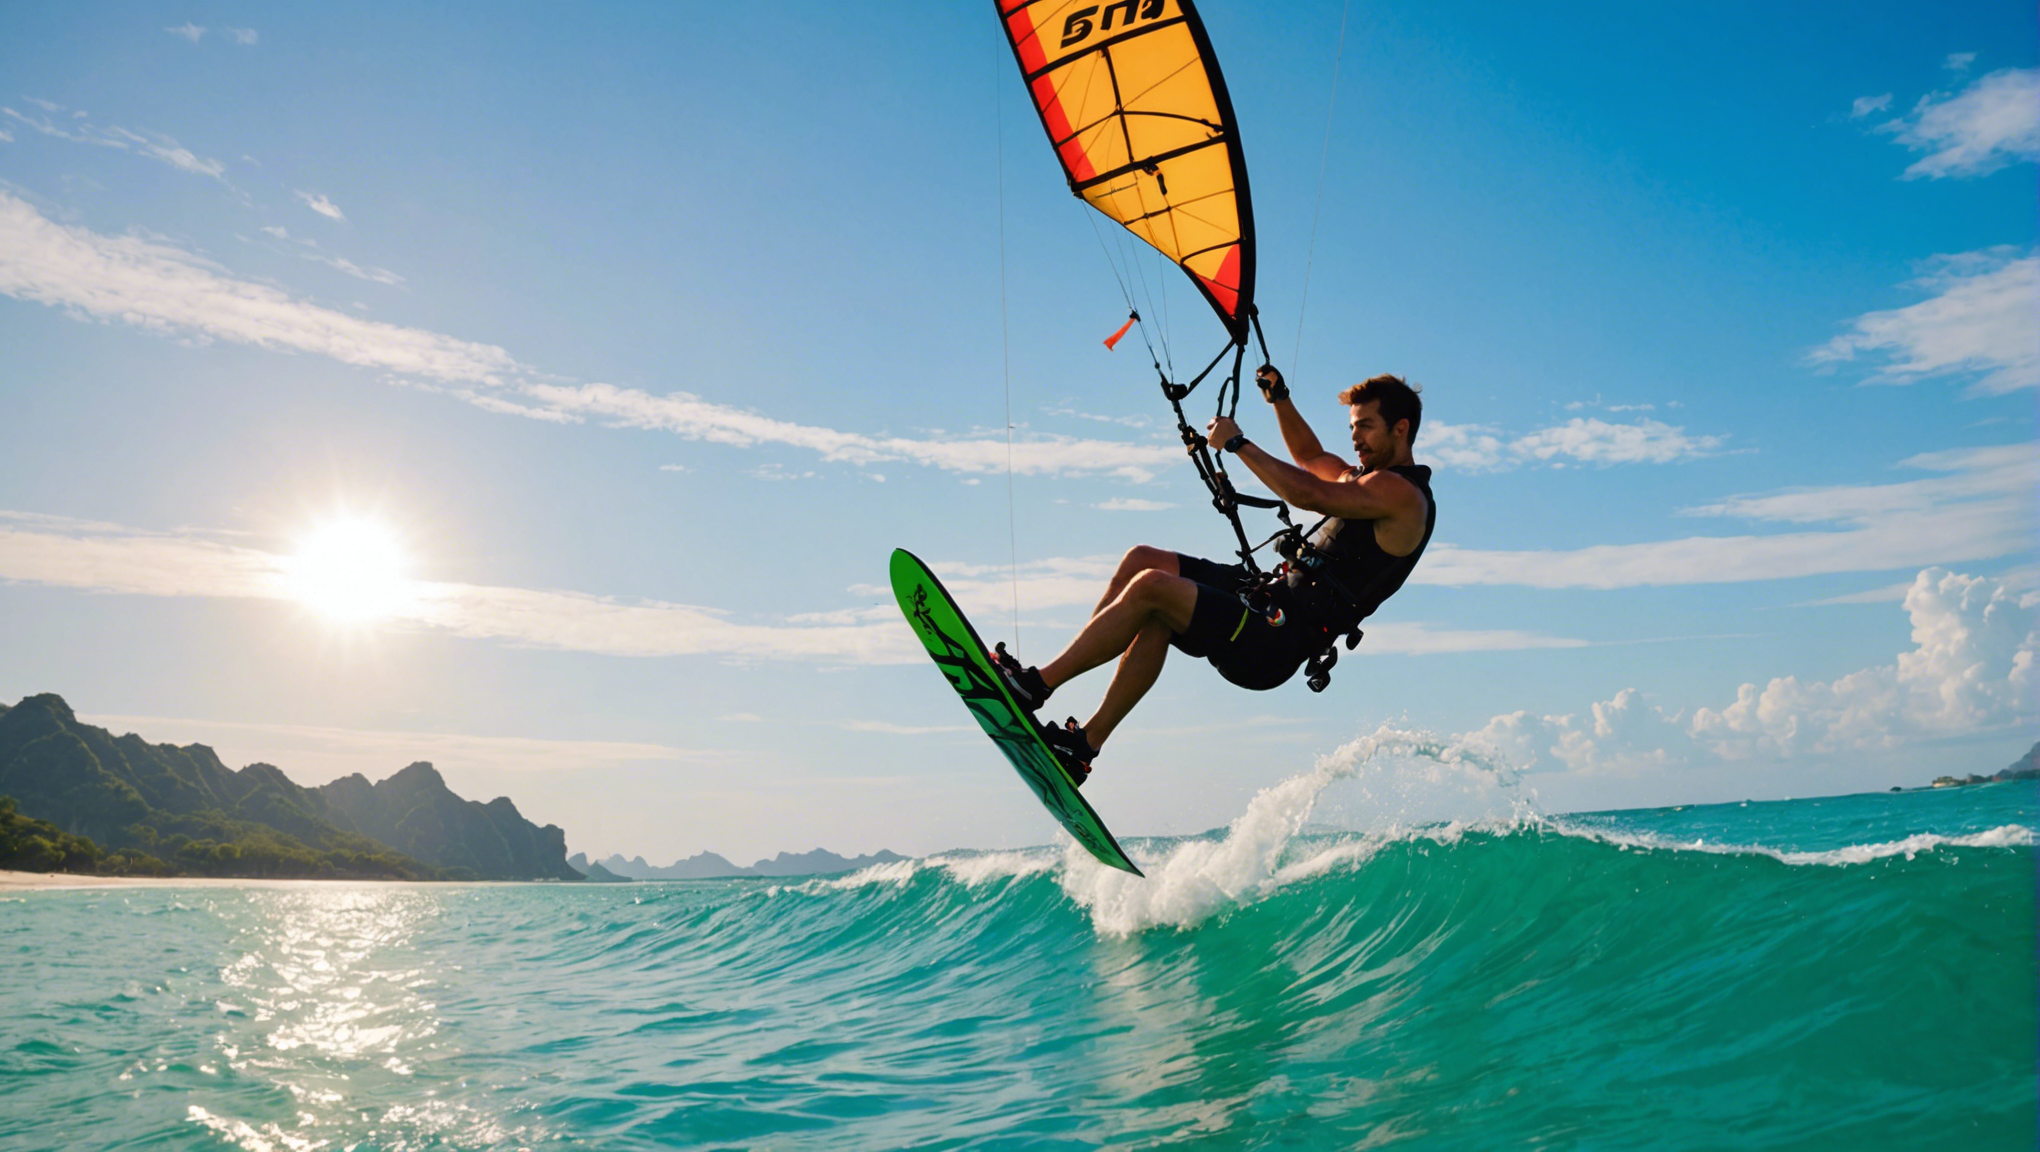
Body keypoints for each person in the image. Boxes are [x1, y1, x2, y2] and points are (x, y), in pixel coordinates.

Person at [992, 366, 1436, 785]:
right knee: (1143, 561)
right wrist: (1279, 399)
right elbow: (1310, 456)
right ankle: (1079, 742)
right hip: (1267, 601)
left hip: (1277, 642)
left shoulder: (1401, 494)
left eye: (1366, 426)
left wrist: (1239, 444)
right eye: (1353, 426)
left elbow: (1306, 493)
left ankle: (1034, 687)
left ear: (1401, 428)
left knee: (1152, 589)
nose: (1355, 437)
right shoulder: (1363, 479)